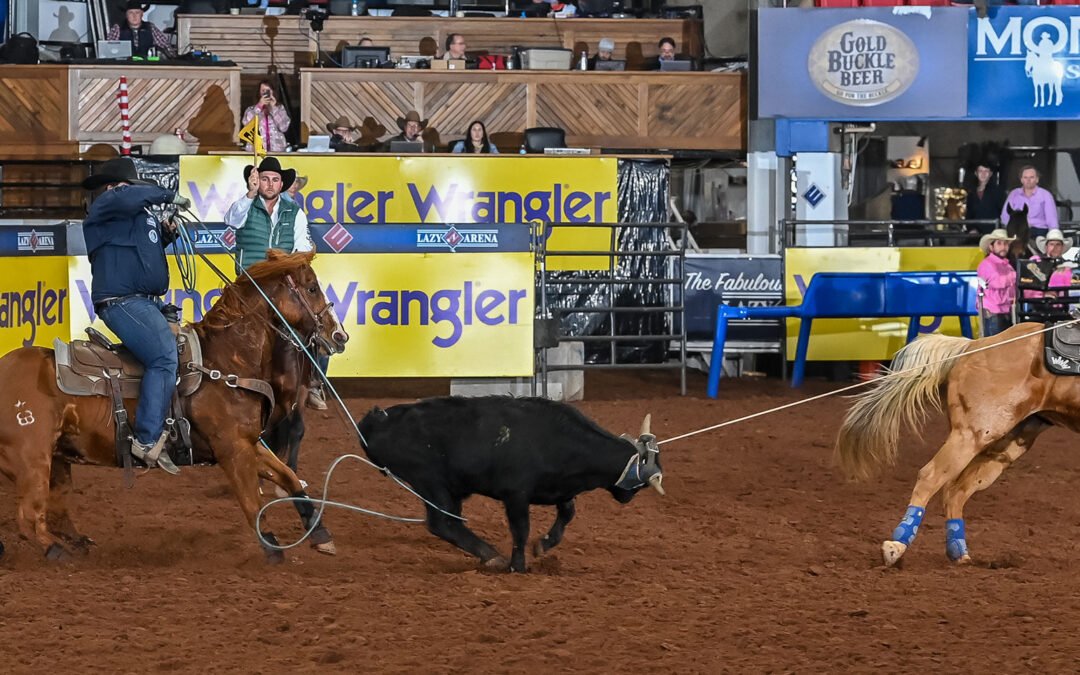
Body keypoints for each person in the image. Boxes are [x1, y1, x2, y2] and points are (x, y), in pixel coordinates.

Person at [82, 157, 190, 474]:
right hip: (122, 302)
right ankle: (145, 438)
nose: (127, 193)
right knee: (163, 358)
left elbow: (147, 248)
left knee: (186, 352)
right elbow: (123, 197)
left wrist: (167, 234)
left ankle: (174, 425)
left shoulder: (139, 218)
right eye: (124, 188)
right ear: (113, 188)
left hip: (146, 302)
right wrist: (169, 196)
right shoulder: (106, 206)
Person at [224, 156, 314, 271]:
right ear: (256, 181)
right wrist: (251, 192)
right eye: (265, 179)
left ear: (281, 184)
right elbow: (231, 220)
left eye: (275, 180)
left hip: (282, 280)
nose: (270, 184)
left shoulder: (295, 212)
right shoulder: (247, 205)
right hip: (249, 279)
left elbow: (303, 248)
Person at [977, 228, 1017, 337]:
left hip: (1005, 311)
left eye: (1005, 244)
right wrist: (1016, 277)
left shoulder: (1008, 266)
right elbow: (997, 282)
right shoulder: (986, 264)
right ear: (991, 247)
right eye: (999, 243)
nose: (1003, 247)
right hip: (992, 312)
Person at [1001, 165, 1059, 240]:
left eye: (1031, 177)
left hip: (1038, 232)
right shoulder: (1013, 194)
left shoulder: (1045, 195)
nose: (1028, 180)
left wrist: (1053, 237)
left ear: (1037, 179)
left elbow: (1052, 221)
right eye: (1025, 177)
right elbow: (1005, 217)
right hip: (1017, 232)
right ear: (1021, 180)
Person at [106, 1, 175, 59]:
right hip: (124, 66)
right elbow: (108, 49)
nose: (134, 16)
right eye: (131, 13)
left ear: (142, 14)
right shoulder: (118, 28)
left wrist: (174, 59)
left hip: (146, 66)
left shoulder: (150, 27)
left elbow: (165, 46)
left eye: (137, 12)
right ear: (126, 15)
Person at [241, 80, 290, 154]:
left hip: (277, 151)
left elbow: (284, 127)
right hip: (256, 151)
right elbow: (247, 125)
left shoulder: (279, 108)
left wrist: (274, 109)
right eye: (263, 90)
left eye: (268, 90)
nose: (266, 93)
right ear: (259, 93)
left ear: (272, 92)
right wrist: (259, 106)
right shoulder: (251, 110)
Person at [965, 163, 1005, 235]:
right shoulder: (971, 193)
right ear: (976, 173)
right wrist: (972, 229)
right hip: (975, 234)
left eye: (986, 171)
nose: (983, 174)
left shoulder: (998, 192)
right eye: (980, 171)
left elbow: (1003, 212)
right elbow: (969, 215)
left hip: (994, 233)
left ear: (990, 173)